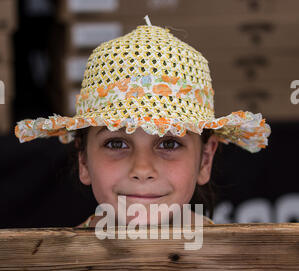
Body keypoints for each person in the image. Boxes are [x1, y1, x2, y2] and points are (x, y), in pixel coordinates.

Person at [15, 18, 271, 229]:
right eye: (116, 143)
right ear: (83, 160)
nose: (142, 168)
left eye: (169, 143)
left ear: (205, 159)